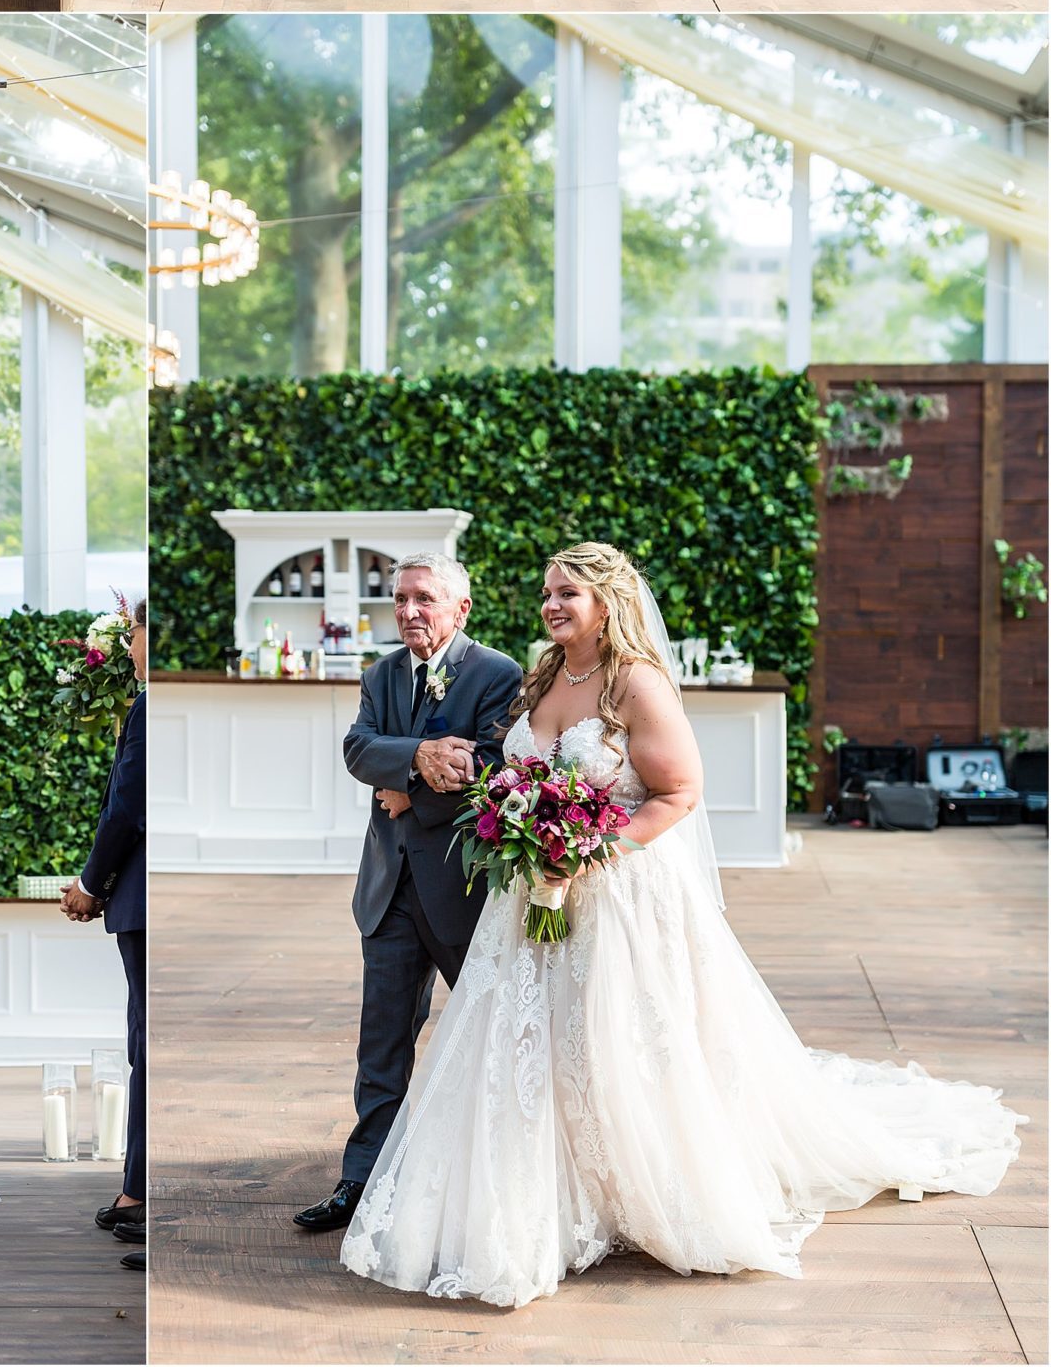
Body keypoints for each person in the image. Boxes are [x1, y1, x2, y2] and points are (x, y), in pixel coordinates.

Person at [341, 542, 1023, 1308]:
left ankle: (639, 1185)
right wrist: (514, 819)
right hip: (533, 895)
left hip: (616, 895)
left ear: (607, 600)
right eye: (546, 592)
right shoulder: (541, 676)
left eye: (568, 592)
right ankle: (550, 1181)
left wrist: (590, 852)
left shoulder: (636, 682)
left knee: (619, 1042)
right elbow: (507, 769)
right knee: (537, 1044)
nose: (553, 604)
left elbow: (678, 793)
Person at [292, 555, 521, 1237]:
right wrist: (418, 761)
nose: (409, 611)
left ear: (461, 610)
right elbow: (358, 748)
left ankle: (489, 1176)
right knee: (381, 1043)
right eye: (400, 600)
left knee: (488, 1036)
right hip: (388, 889)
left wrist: (407, 786)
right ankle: (362, 1181)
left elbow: (492, 764)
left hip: (463, 888)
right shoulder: (380, 673)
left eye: (425, 599)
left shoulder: (499, 673)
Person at [62, 599, 147, 1273]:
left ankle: (145, 1195)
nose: (129, 647)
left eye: (136, 634)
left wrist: (92, 882)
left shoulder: (151, 707)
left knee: (150, 1045)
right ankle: (138, 1190)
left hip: (147, 900)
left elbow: (127, 807)